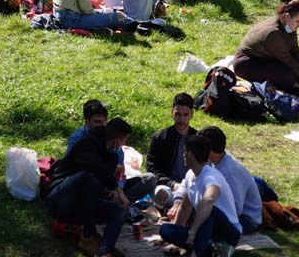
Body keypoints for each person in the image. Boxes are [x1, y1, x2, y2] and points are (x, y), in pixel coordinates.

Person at [46, 117, 133, 257]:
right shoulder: (88, 143)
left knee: (118, 209)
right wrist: (116, 188)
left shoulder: (112, 157)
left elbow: (102, 183)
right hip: (61, 197)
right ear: (118, 140)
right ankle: (88, 234)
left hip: (84, 206)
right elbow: (94, 167)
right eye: (124, 140)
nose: (124, 144)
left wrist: (111, 193)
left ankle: (104, 251)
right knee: (89, 175)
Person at [159, 134, 242, 256]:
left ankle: (200, 251)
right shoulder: (190, 175)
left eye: (184, 151)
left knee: (209, 211)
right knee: (165, 230)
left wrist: (193, 231)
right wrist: (176, 234)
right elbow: (185, 207)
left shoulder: (211, 176)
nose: (183, 155)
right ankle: (207, 248)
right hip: (204, 231)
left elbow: (209, 199)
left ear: (190, 155)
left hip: (226, 232)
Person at [67, 100, 158, 203]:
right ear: (87, 123)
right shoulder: (81, 140)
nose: (102, 125)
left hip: (111, 187)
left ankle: (119, 203)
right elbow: (80, 170)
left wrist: (117, 189)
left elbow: (120, 176)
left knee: (149, 179)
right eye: (98, 122)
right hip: (86, 186)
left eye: (104, 121)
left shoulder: (114, 146)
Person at [232, 0, 299, 96]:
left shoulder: (288, 25)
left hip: (269, 58)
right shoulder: (273, 33)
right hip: (248, 63)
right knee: (288, 75)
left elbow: (295, 49)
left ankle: (293, 84)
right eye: (298, 21)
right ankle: (291, 85)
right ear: (287, 16)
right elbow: (287, 59)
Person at [197, 126, 264, 233]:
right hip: (232, 212)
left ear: (209, 151)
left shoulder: (229, 172)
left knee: (204, 224)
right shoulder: (216, 160)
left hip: (246, 220)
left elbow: (235, 209)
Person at [146, 93, 198, 189]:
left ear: (192, 114)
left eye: (185, 115)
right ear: (172, 112)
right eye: (177, 114)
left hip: (192, 186)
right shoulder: (160, 137)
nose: (181, 119)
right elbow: (151, 168)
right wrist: (171, 184)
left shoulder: (198, 139)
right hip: (166, 186)